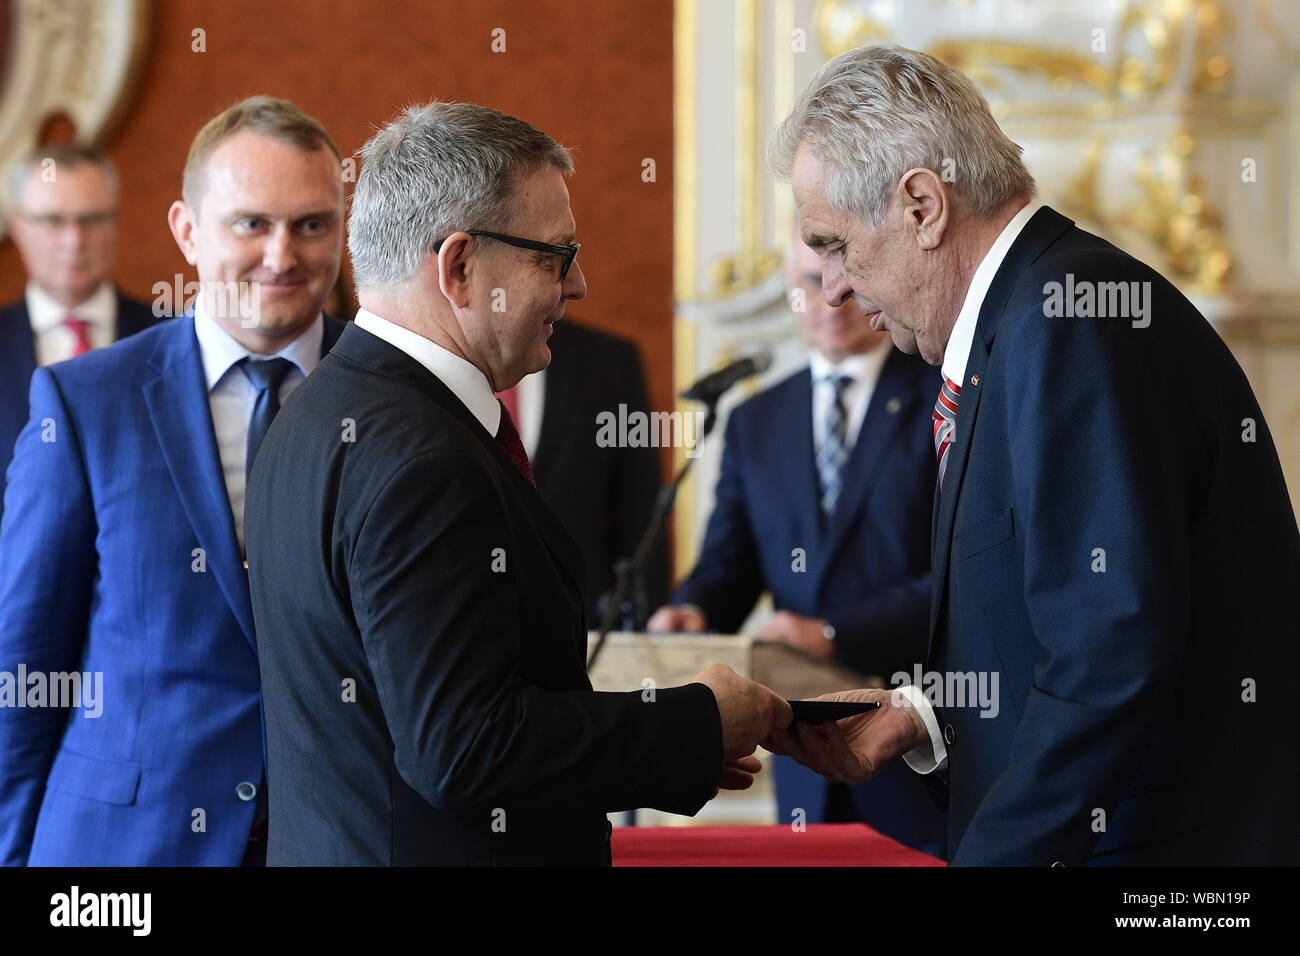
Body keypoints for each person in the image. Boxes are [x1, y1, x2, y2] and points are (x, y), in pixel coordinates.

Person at [764, 44, 1300, 866]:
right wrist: (926, 712)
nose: (830, 287)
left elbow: (1112, 651)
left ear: (921, 206)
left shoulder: (1068, 322)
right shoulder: (1016, 329)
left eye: (833, 244)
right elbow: (1047, 627)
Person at [245, 101, 790, 866]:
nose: (580, 286)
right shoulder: (424, 459)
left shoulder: (313, 413)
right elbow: (464, 749)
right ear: (461, 265)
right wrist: (696, 722)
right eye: (555, 256)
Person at [0, 96, 347, 866]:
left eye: (312, 224)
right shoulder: (85, 403)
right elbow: (25, 663)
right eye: (250, 224)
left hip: (339, 838)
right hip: (125, 849)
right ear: (187, 232)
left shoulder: (396, 399)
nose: (282, 255)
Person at [648, 235, 944, 855]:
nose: (827, 300)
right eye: (808, 282)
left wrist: (831, 631)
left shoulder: (941, 398)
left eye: (846, 281)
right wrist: (695, 608)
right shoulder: (757, 419)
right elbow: (729, 566)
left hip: (922, 728)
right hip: (804, 743)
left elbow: (958, 580)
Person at [0, 144, 155, 518]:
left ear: (115, 222)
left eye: (91, 220)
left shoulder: (174, 338)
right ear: (18, 225)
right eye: (53, 221)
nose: (74, 240)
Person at [501, 318, 669, 621]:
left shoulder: (609, 362)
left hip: (576, 629)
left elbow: (641, 513)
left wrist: (649, 638)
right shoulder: (431, 360)